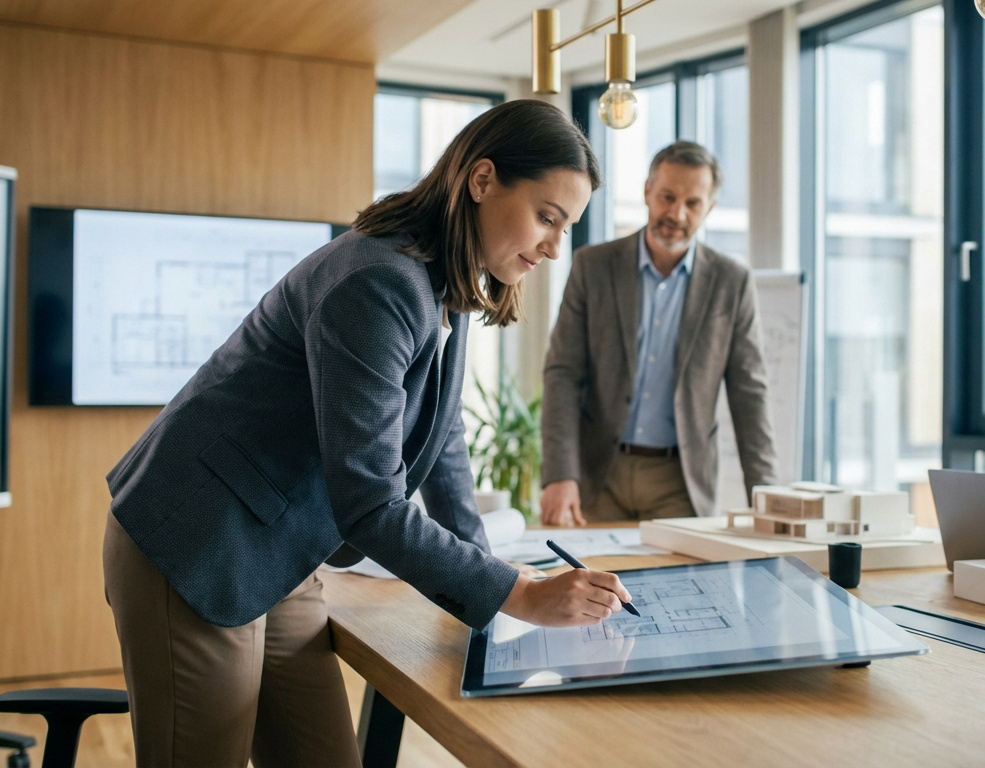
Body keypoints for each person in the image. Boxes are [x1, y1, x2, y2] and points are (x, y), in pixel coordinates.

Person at [101, 99, 632, 768]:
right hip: (199, 539)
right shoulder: (382, 280)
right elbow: (372, 503)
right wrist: (518, 593)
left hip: (278, 548)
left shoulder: (444, 276)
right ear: (482, 180)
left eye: (568, 226)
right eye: (547, 218)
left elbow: (441, 435)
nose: (557, 246)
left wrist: (490, 584)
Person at [540, 140, 779, 526]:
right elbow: (563, 374)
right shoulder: (593, 267)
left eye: (693, 203)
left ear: (709, 209)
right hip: (599, 474)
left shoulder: (731, 283)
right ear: (647, 191)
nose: (677, 213)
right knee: (590, 583)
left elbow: (749, 392)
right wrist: (559, 473)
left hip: (680, 482)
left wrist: (766, 496)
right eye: (667, 196)